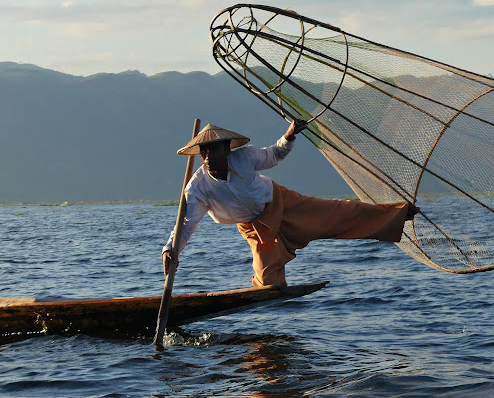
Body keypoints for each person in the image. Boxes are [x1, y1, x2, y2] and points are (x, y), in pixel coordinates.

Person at [162, 120, 420, 287]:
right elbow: (186, 224)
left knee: (339, 212)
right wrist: (170, 250)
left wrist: (289, 135)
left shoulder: (245, 156)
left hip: (280, 202)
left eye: (213, 149)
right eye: (204, 151)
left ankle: (399, 214)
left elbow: (274, 155)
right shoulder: (196, 188)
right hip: (255, 228)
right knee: (267, 283)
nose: (207, 156)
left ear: (227, 149)